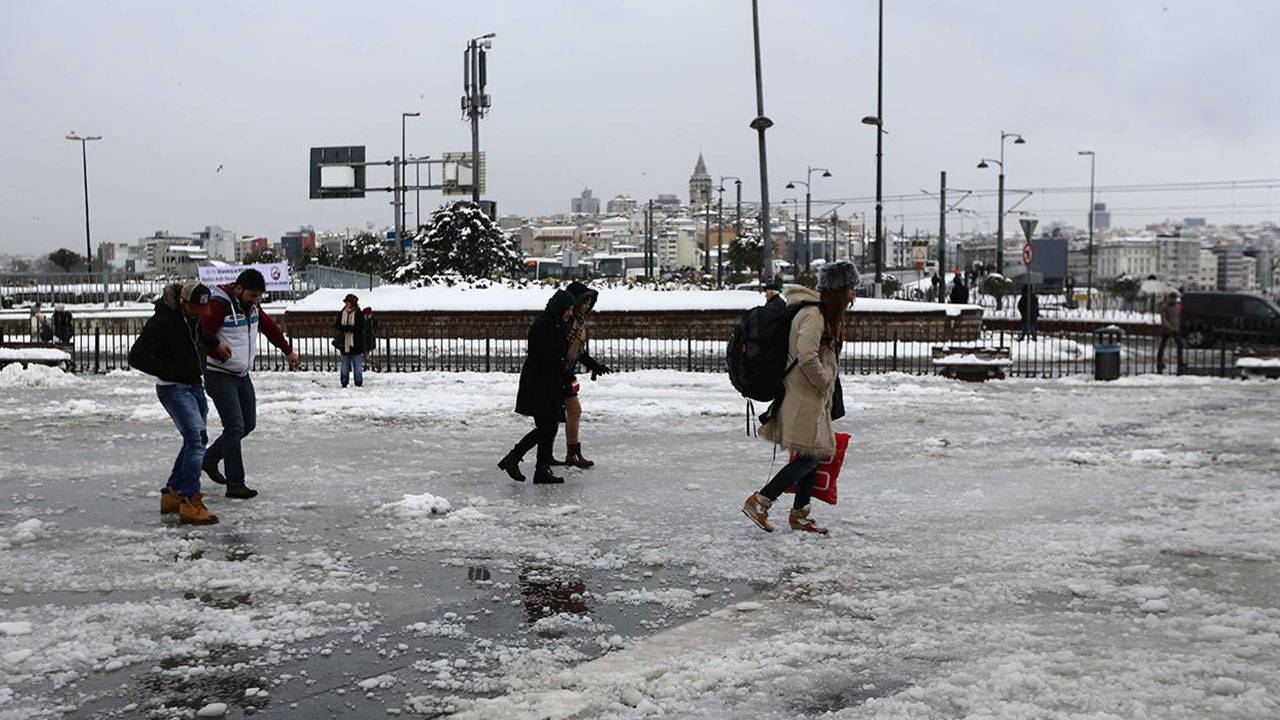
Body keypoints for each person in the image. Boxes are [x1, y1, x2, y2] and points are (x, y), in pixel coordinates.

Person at [742, 260, 859, 535]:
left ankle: (800, 514)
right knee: (808, 458)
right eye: (850, 288)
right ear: (839, 289)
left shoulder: (818, 313)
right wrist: (825, 380)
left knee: (813, 454)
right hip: (805, 395)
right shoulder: (814, 315)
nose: (853, 294)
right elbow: (806, 356)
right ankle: (760, 501)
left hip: (811, 397)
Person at [128, 280, 232, 525]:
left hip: (195, 386)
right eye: (198, 309)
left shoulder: (190, 318)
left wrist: (215, 343)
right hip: (173, 389)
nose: (202, 314)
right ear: (184, 303)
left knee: (193, 440)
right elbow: (136, 356)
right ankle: (190, 500)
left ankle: (173, 494)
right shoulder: (161, 322)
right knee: (197, 441)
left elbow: (195, 333)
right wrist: (171, 371)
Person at [200, 269, 300, 499]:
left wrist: (288, 351)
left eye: (259, 297)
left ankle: (210, 458)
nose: (256, 300)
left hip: (241, 375)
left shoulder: (252, 307)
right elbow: (200, 332)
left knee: (248, 424)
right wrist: (216, 347)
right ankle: (235, 483)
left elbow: (269, 328)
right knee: (234, 426)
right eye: (252, 296)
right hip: (219, 374)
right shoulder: (219, 305)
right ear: (238, 289)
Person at [498, 290, 576, 485]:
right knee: (547, 426)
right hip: (539, 384)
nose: (570, 313)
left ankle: (539, 468)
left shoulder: (556, 323)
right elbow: (545, 354)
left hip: (547, 383)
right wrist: (561, 365)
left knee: (548, 427)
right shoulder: (545, 325)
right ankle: (515, 458)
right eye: (568, 309)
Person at [553, 281, 612, 468]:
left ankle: (572, 453)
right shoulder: (566, 322)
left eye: (589, 303)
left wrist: (593, 365)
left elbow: (578, 351)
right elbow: (561, 350)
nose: (587, 306)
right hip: (558, 375)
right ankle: (558, 455)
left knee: (572, 412)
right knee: (555, 417)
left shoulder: (578, 322)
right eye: (584, 302)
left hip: (566, 374)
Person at [334, 293, 369, 388]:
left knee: (357, 364)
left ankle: (358, 382)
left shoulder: (358, 313)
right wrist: (345, 329)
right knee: (344, 364)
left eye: (348, 302)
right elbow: (337, 325)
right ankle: (344, 381)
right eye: (346, 302)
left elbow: (360, 327)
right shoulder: (343, 312)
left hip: (356, 342)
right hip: (344, 342)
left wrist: (349, 328)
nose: (347, 304)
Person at [1156, 291, 1184, 375]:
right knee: (1162, 346)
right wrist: (1170, 327)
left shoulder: (1178, 306)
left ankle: (1180, 361)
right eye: (1171, 298)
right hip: (1167, 329)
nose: (1173, 300)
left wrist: (1178, 326)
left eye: (1174, 298)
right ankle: (1160, 361)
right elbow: (1164, 319)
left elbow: (1180, 317)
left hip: (1176, 329)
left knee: (1180, 344)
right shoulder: (1164, 307)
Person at [361, 306, 378, 371]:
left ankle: (374, 364)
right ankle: (367, 365)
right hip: (365, 340)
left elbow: (375, 327)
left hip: (368, 340)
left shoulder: (371, 320)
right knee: (364, 356)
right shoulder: (368, 319)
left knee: (366, 356)